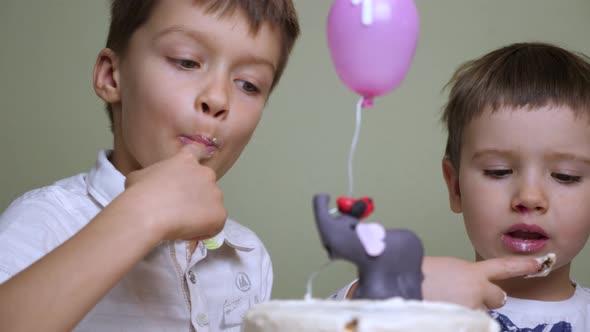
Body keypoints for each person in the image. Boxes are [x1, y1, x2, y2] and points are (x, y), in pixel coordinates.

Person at [0, 1, 539, 331]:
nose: (217, 99)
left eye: (249, 83)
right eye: (186, 61)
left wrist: (383, 295)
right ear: (111, 76)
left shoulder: (247, 257)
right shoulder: (43, 224)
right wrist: (138, 214)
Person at [441, 42, 590, 331]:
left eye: (565, 176)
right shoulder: (417, 311)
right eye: (499, 171)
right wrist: (377, 292)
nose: (529, 198)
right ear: (455, 187)